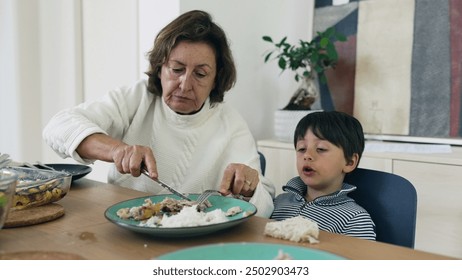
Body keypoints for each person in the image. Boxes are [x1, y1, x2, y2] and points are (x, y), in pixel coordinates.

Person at [42, 10, 275, 217]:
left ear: (216, 79)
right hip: (124, 228)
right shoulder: (138, 98)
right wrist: (117, 150)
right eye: (177, 69)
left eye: (201, 74)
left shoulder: (231, 123)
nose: (184, 85)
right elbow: (57, 127)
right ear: (160, 68)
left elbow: (264, 208)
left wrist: (251, 187)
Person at [270, 111, 376, 240]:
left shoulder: (355, 219)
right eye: (302, 148)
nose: (307, 155)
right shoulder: (279, 201)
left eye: (321, 149)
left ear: (349, 162)